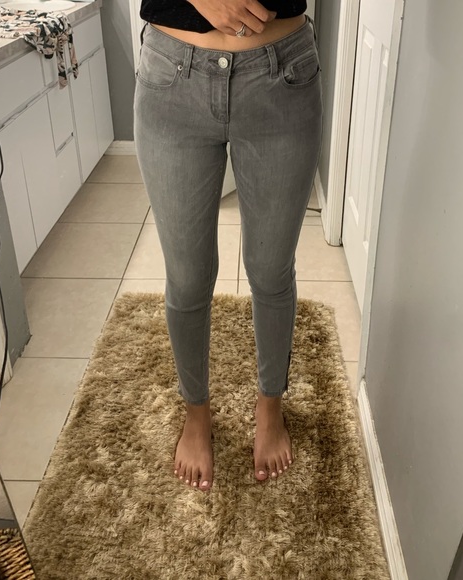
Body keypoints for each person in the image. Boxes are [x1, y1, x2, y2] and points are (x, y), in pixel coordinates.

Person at [134, 0, 322, 491]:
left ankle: (270, 406)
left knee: (271, 271)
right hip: (173, 75)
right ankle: (196, 413)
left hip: (282, 75)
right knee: (187, 278)